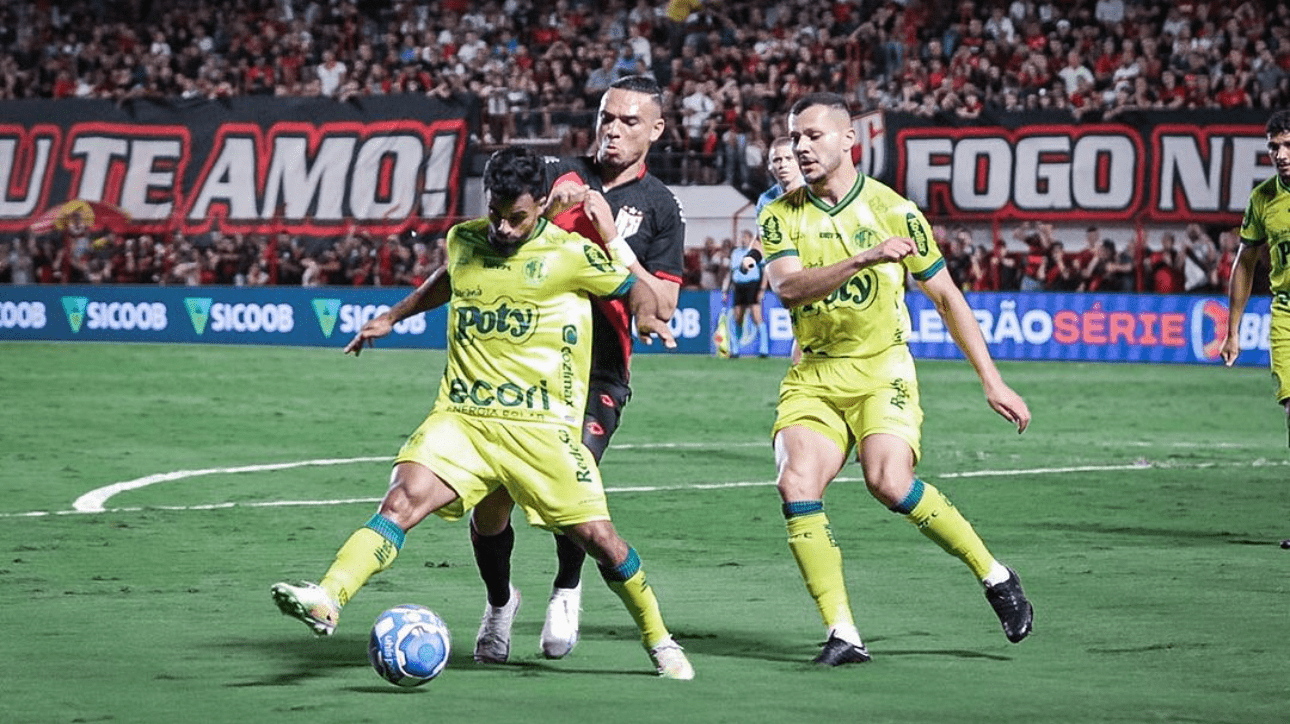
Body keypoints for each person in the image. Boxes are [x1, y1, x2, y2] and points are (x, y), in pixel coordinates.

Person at [270, 146, 694, 680]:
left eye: (517, 217)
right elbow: (452, 278)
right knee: (401, 500)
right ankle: (328, 596)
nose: (504, 227)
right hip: (464, 419)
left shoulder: (570, 254)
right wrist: (394, 316)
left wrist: (633, 285)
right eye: (495, 211)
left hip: (541, 430)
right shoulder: (465, 238)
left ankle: (660, 640)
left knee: (602, 542)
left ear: (542, 204)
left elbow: (645, 299)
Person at [758, 92, 1035, 665]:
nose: (801, 147)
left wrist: (992, 380)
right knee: (796, 484)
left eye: (812, 136)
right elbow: (787, 288)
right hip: (813, 374)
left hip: (883, 371)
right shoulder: (779, 214)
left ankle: (995, 575)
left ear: (848, 140)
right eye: (794, 138)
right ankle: (843, 633)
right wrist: (864, 259)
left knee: (888, 482)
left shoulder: (894, 210)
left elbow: (946, 296)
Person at [1222, 109, 1290, 459]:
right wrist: (1232, 330)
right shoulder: (1263, 198)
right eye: (1273, 148)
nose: (1281, 156)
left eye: (1288, 146)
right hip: (1286, 314)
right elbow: (1245, 262)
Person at [721, 229, 769, 358]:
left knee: (756, 316)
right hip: (738, 286)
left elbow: (765, 272)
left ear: (750, 239)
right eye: (741, 237)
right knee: (738, 318)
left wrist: (762, 289)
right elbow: (730, 272)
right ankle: (735, 350)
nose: (742, 240)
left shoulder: (755, 252)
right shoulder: (735, 253)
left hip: (752, 285)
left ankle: (764, 349)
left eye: (745, 237)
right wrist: (725, 290)